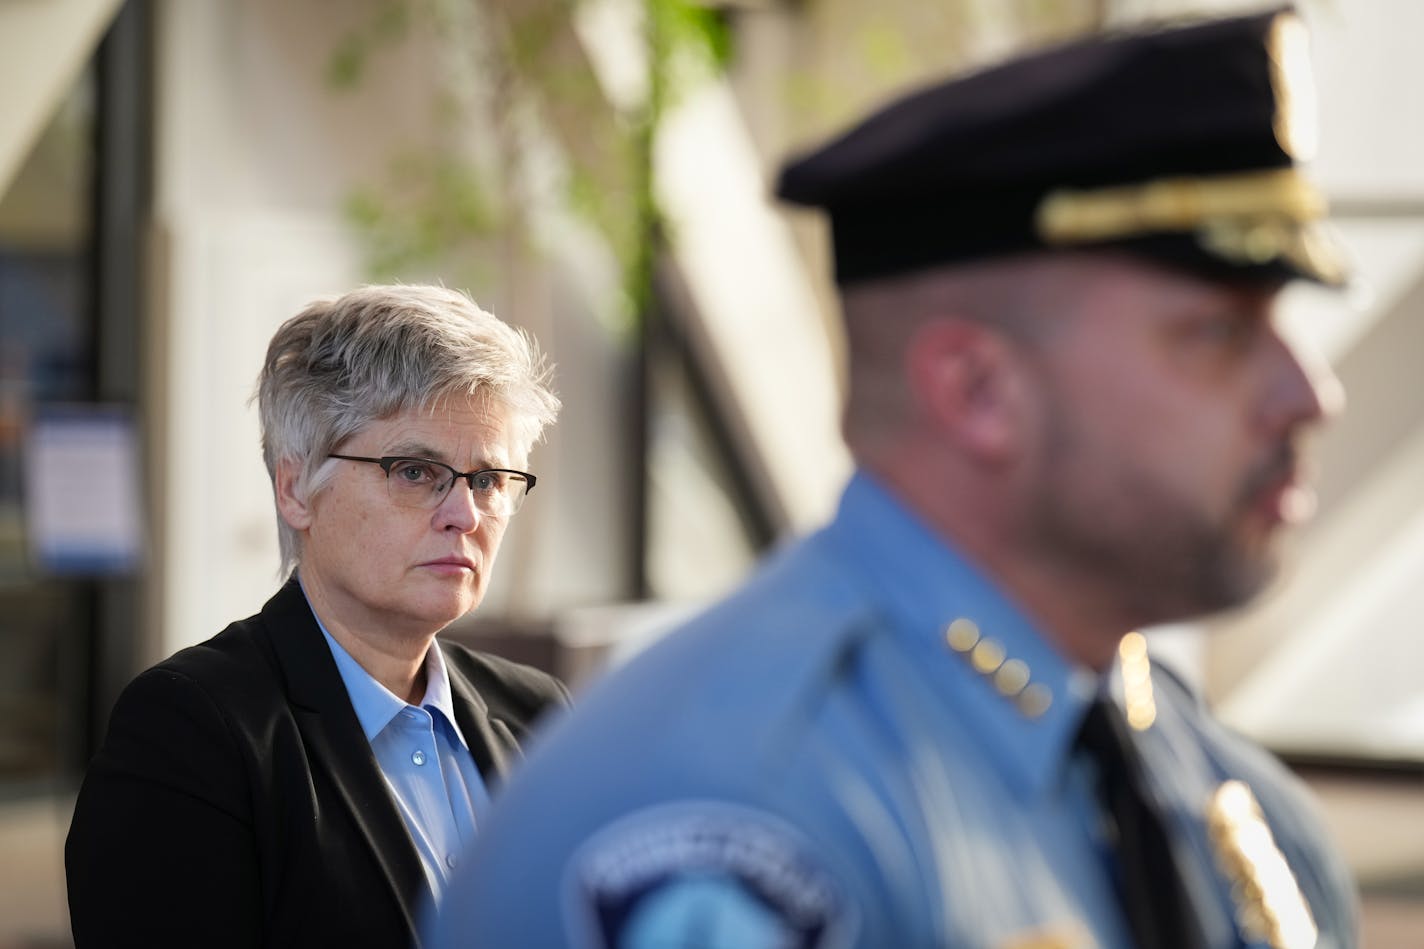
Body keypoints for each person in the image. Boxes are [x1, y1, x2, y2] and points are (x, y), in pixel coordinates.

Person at [428, 7, 1363, 949]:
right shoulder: (738, 815)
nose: (1309, 393)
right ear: (977, 390)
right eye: (1221, 334)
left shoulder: (1218, 793)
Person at [66, 284, 566, 948]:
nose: (465, 513)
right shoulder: (191, 733)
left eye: (489, 478)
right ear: (295, 487)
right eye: (416, 471)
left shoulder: (537, 715)